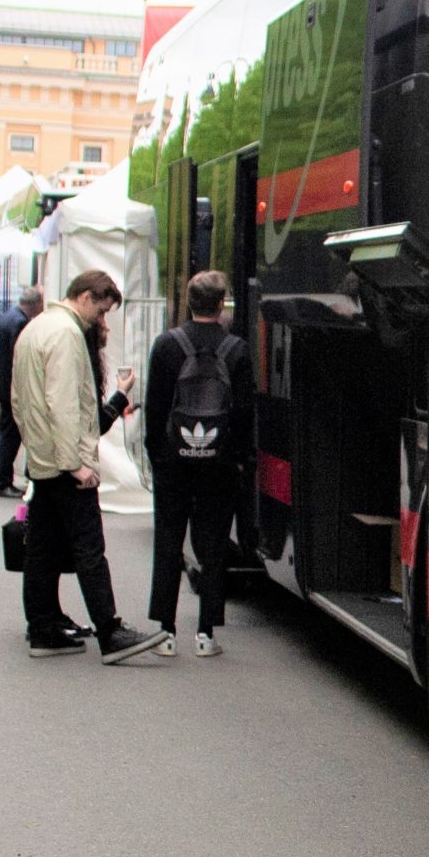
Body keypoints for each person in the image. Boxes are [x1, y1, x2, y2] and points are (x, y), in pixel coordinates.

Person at [13, 268, 162, 663]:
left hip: (42, 460)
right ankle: (111, 633)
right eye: (100, 310)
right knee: (89, 548)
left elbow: (21, 401)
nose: (101, 320)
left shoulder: (36, 328)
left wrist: (40, 450)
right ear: (84, 297)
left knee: (41, 550)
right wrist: (75, 463)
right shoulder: (65, 334)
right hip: (64, 463)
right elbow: (62, 404)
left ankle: (42, 628)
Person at [145, 268, 252, 659]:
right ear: (221, 304)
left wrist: (157, 454)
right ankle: (206, 633)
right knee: (212, 547)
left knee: (168, 540)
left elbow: (155, 410)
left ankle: (165, 631)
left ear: (189, 303)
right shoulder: (236, 349)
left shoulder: (167, 346)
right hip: (218, 465)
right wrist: (238, 459)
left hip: (173, 463)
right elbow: (243, 412)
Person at [0, 287, 41, 499]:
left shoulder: (8, 317)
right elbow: (19, 357)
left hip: (0, 383)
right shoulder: (19, 323)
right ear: (36, 305)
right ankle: (1, 480)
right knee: (11, 433)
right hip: (10, 386)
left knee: (5, 431)